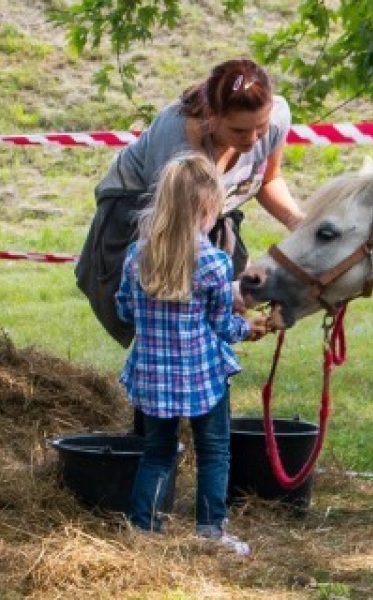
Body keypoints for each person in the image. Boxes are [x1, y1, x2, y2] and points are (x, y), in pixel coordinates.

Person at [77, 57, 305, 349]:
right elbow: (172, 242)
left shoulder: (276, 118)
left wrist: (296, 222)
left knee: (205, 312)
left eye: (260, 127)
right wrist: (229, 300)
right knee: (170, 306)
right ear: (212, 116)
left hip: (209, 215)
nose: (252, 139)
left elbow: (268, 179)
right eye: (238, 131)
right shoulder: (178, 145)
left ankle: (199, 366)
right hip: (143, 212)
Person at [116, 153, 268, 555]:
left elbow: (125, 311)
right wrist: (248, 329)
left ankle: (143, 530)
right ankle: (210, 531)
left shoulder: (137, 257)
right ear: (206, 208)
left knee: (158, 452)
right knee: (213, 450)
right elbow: (222, 325)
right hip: (203, 378)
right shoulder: (214, 264)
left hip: (153, 375)